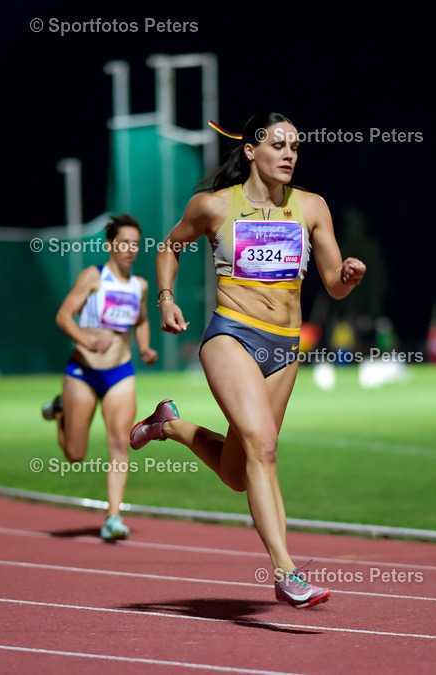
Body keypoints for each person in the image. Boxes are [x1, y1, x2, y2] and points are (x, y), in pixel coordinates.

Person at [130, 112, 366, 608]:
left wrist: (347, 275)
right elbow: (170, 247)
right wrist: (167, 299)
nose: (289, 154)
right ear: (252, 150)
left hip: (285, 347)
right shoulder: (215, 206)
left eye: (296, 147)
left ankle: (168, 425)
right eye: (278, 144)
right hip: (231, 336)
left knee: (240, 473)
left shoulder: (312, 207)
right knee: (264, 448)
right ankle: (287, 571)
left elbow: (333, 286)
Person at [42, 214, 158, 541]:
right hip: (83, 371)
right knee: (75, 454)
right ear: (110, 245)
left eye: (135, 244)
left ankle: (113, 516)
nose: (130, 250)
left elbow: (143, 321)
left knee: (120, 442)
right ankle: (60, 411)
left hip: (121, 373)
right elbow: (63, 316)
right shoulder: (94, 276)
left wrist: (146, 347)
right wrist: (87, 340)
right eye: (123, 243)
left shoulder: (141, 286)